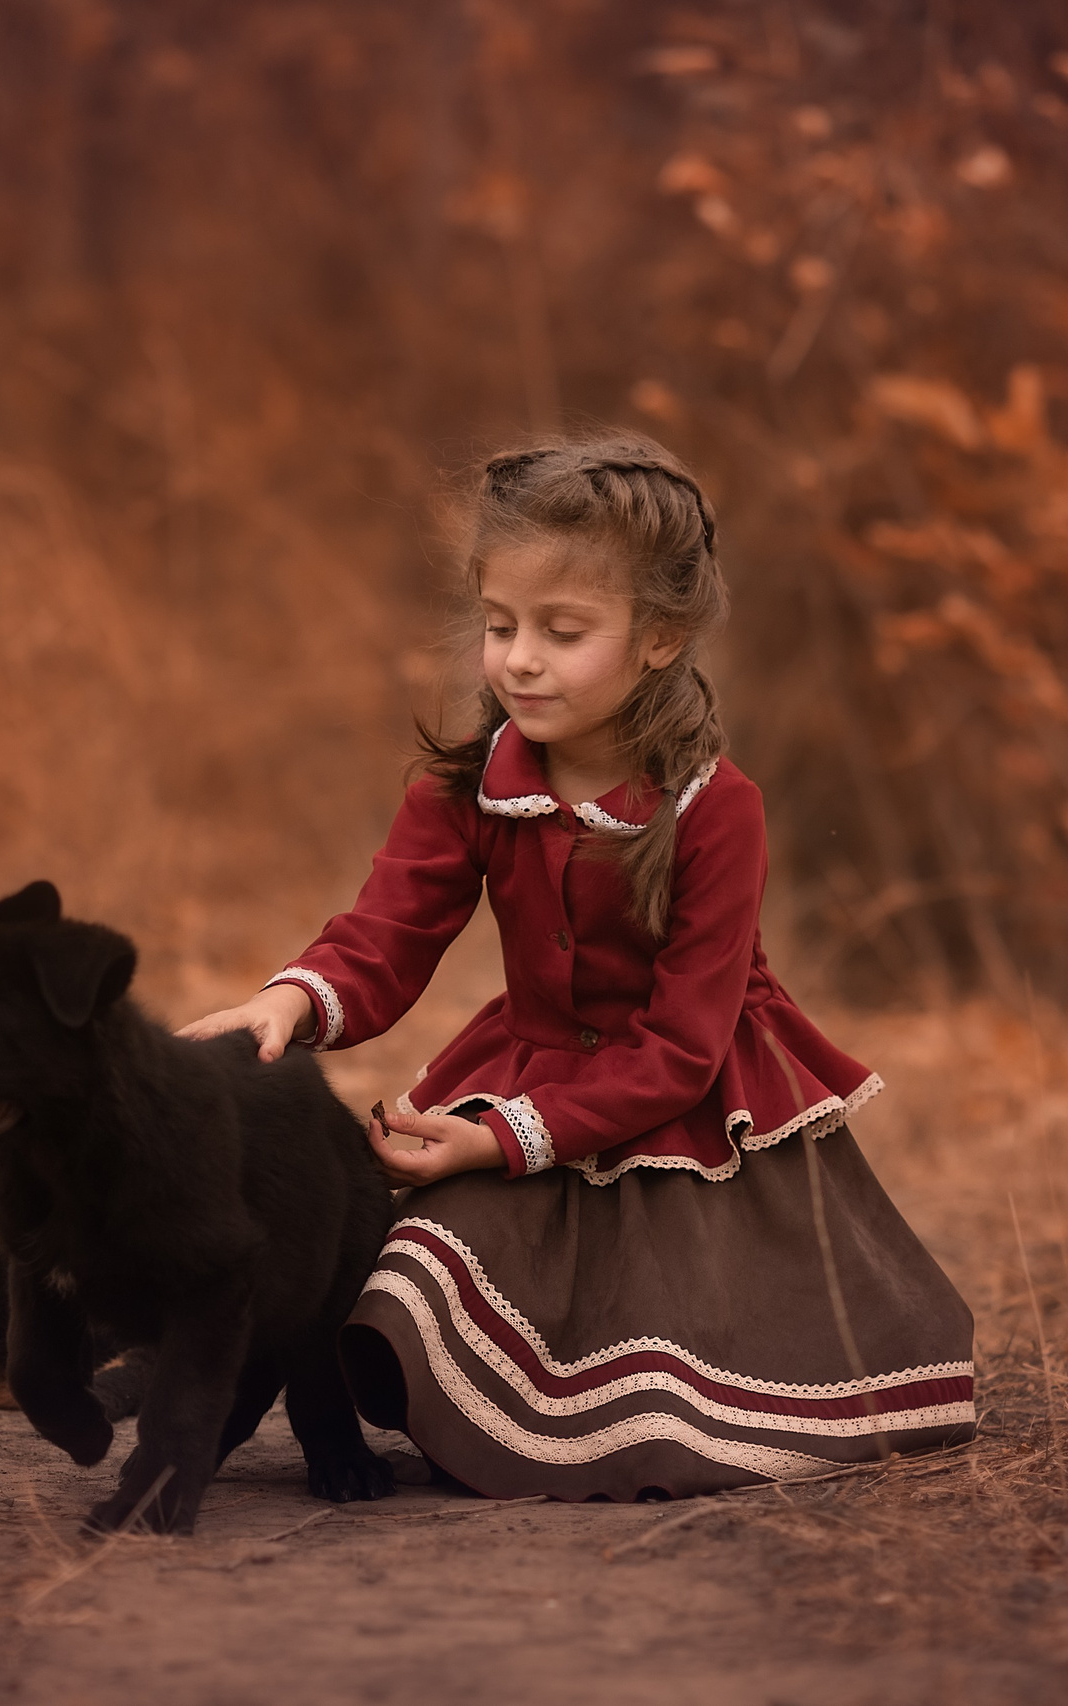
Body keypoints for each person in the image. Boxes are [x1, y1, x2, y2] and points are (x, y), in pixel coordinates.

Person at [179, 435, 976, 1500]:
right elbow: (387, 931)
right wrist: (288, 1001)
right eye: (499, 626)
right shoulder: (469, 785)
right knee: (392, 1286)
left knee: (674, 1365)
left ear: (659, 637)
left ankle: (617, 1400)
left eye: (562, 632)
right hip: (531, 1073)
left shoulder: (715, 807)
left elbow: (683, 1045)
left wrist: (495, 1138)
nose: (518, 659)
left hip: (694, 1116)